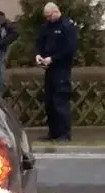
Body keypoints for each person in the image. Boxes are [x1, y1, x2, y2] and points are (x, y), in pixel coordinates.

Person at [35, 2, 78, 142]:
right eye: (45, 17)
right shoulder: (46, 26)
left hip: (61, 69)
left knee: (60, 101)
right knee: (49, 102)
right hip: (49, 69)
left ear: (56, 12)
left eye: (49, 16)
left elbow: (70, 48)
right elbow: (40, 42)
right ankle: (53, 132)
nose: (47, 19)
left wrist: (52, 59)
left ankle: (64, 134)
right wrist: (38, 55)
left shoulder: (67, 26)